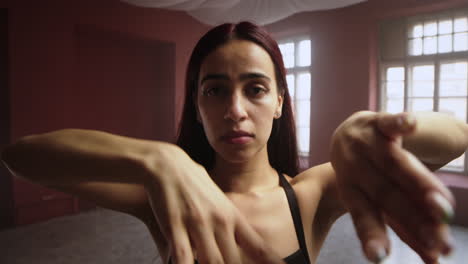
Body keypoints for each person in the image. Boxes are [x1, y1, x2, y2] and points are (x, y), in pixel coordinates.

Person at [2, 21, 467, 264]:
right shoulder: (164, 198)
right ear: (197, 105)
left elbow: (455, 139)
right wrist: (152, 156)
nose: (236, 110)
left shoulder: (310, 195)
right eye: (215, 90)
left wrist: (367, 126)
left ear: (281, 103)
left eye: (256, 88)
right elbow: (22, 157)